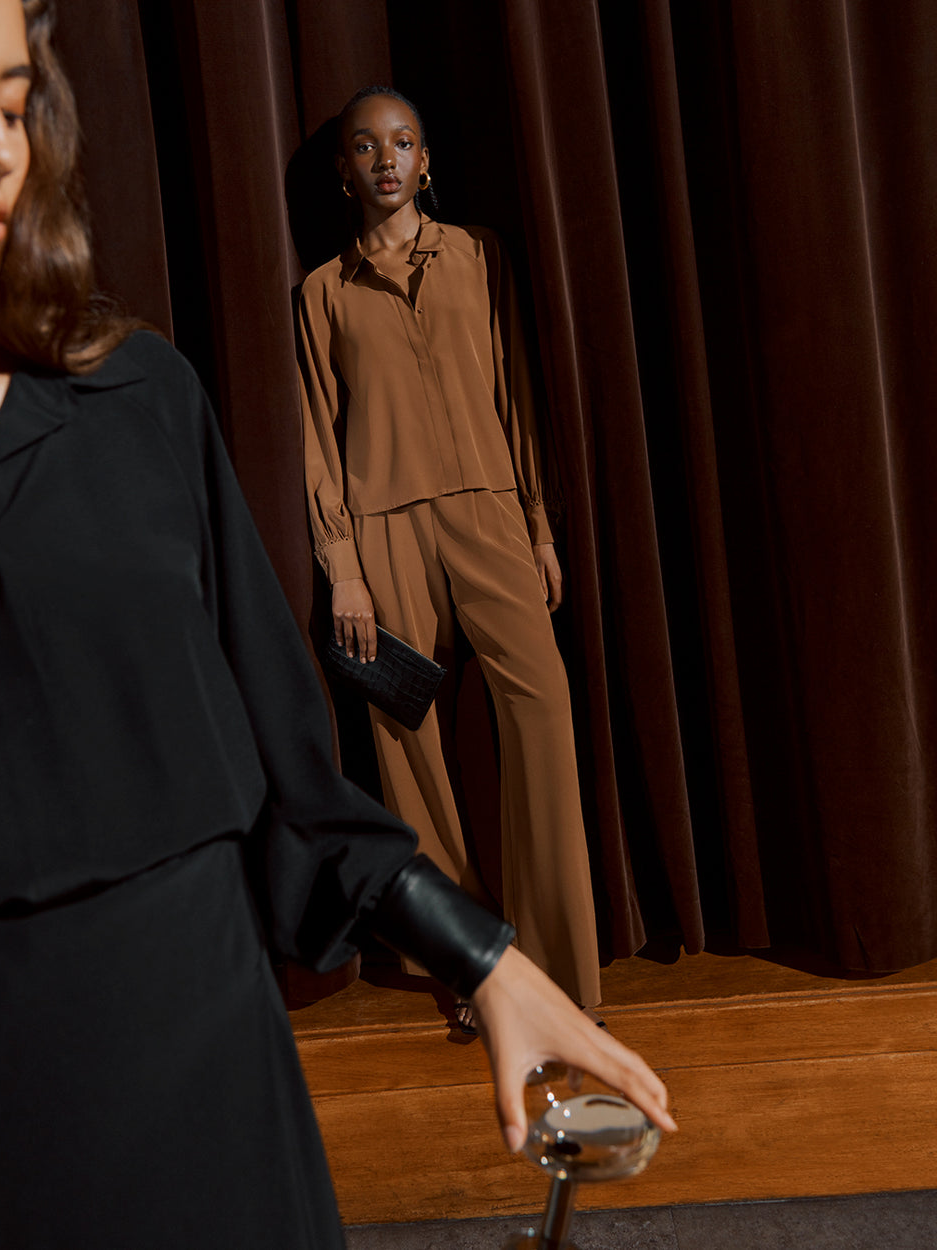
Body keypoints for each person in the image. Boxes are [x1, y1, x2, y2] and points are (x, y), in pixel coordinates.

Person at [0, 3, 674, 1247]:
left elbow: (290, 768)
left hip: (203, 1074)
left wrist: (482, 959)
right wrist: (346, 558)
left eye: (14, 101)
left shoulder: (137, 396)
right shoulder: (320, 295)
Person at [299, 86, 603, 1026]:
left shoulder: (478, 257)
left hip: (489, 511)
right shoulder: (321, 292)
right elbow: (318, 432)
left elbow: (519, 399)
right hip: (383, 527)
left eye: (401, 142)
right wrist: (341, 563)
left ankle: (558, 973)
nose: (385, 158)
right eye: (364, 146)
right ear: (345, 172)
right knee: (406, 745)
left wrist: (541, 527)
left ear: (424, 162)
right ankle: (480, 970)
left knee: (541, 708)